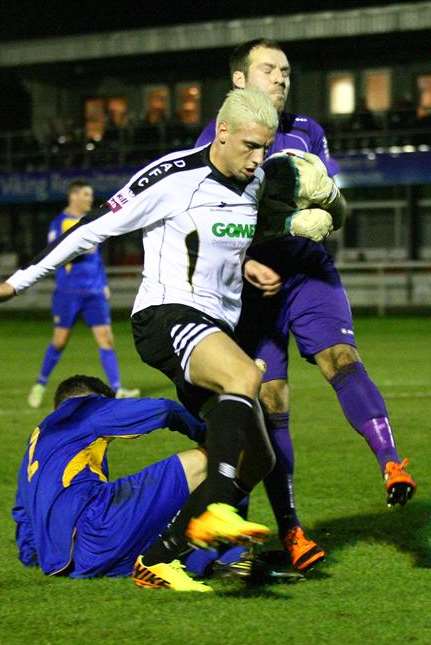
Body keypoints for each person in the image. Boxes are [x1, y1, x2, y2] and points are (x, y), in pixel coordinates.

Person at [3, 88, 327, 592]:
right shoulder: (171, 176)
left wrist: (254, 259)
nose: (258, 159)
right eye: (250, 146)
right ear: (221, 132)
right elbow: (93, 228)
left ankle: (162, 555)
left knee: (258, 457)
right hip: (165, 316)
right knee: (246, 376)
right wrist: (18, 281)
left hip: (215, 327)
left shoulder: (255, 179)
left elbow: (226, 235)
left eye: (265, 148)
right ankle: (215, 507)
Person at [192, 38, 416, 577]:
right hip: (254, 285)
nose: (281, 77)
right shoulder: (214, 141)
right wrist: (280, 227)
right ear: (239, 81)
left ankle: (391, 462)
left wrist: (330, 210)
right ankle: (291, 529)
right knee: (270, 399)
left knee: (341, 357)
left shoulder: (307, 130)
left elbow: (329, 196)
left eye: (286, 70)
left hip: (308, 271)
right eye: (268, 68)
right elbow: (217, 219)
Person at [13, 374, 213, 591]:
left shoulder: (36, 443)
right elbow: (166, 410)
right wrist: (205, 433)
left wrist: (37, 556)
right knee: (219, 457)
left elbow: (23, 515)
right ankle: (230, 555)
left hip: (79, 562)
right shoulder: (85, 407)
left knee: (162, 529)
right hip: (99, 529)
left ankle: (214, 561)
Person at [27, 180, 139, 408]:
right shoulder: (59, 223)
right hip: (68, 292)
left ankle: (117, 389)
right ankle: (40, 384)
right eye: (87, 195)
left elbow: (96, 258)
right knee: (59, 341)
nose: (90, 199)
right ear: (74, 196)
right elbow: (56, 254)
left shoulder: (91, 222)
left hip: (94, 292)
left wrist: (103, 283)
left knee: (106, 338)